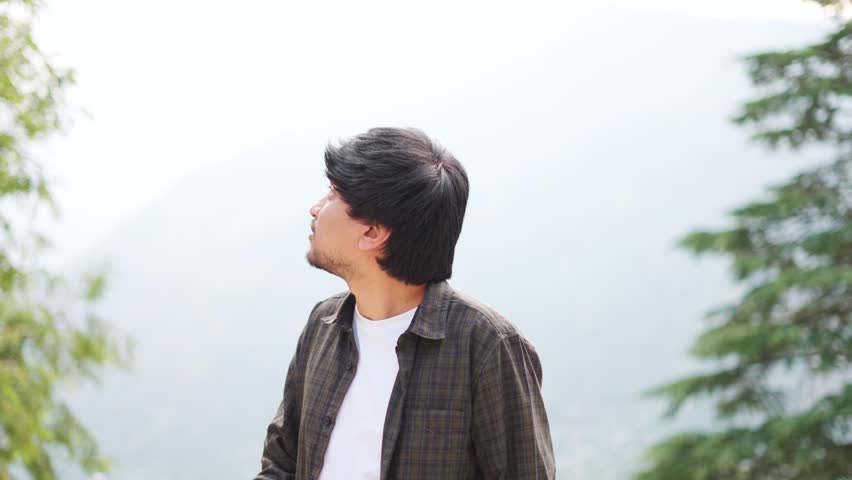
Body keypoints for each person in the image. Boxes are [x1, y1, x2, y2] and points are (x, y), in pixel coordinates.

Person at [254, 127, 555, 480]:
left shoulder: (487, 346)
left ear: (373, 232)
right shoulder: (323, 325)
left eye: (333, 194)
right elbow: (281, 464)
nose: (315, 208)